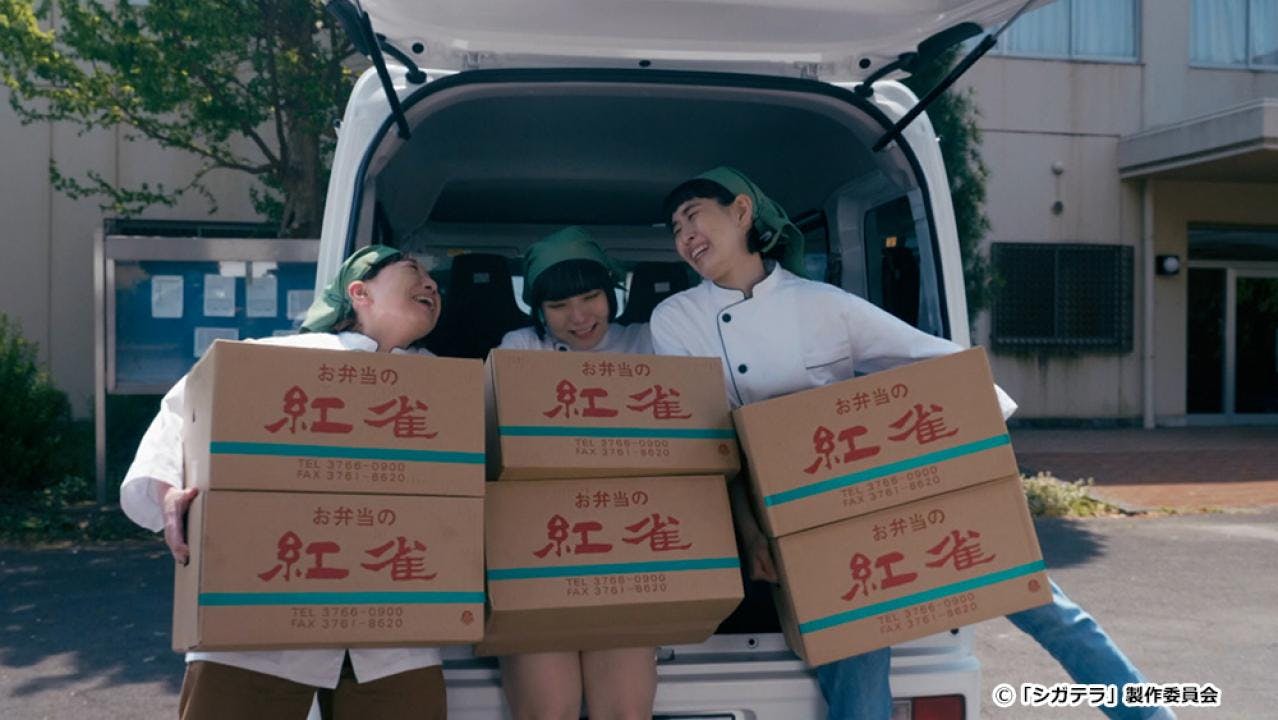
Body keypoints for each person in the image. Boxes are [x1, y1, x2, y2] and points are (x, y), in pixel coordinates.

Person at [649, 167, 1175, 720]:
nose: (685, 235)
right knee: (856, 666)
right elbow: (712, 441)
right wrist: (752, 532)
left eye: (692, 216)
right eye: (675, 229)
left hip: (886, 492)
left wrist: (982, 465)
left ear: (740, 212)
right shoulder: (677, 320)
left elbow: (934, 362)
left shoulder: (823, 305)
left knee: (1047, 607)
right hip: (801, 521)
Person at [120, 245, 449, 720]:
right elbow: (182, 412)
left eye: (432, 279)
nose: (431, 283)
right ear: (359, 293)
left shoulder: (443, 383)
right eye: (412, 270)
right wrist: (167, 493)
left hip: (396, 626)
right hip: (260, 620)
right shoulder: (280, 357)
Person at [494, 226, 656, 720]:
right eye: (559, 305)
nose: (580, 317)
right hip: (541, 548)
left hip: (628, 547)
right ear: (538, 310)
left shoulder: (648, 340)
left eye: (591, 297)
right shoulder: (521, 347)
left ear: (612, 294)